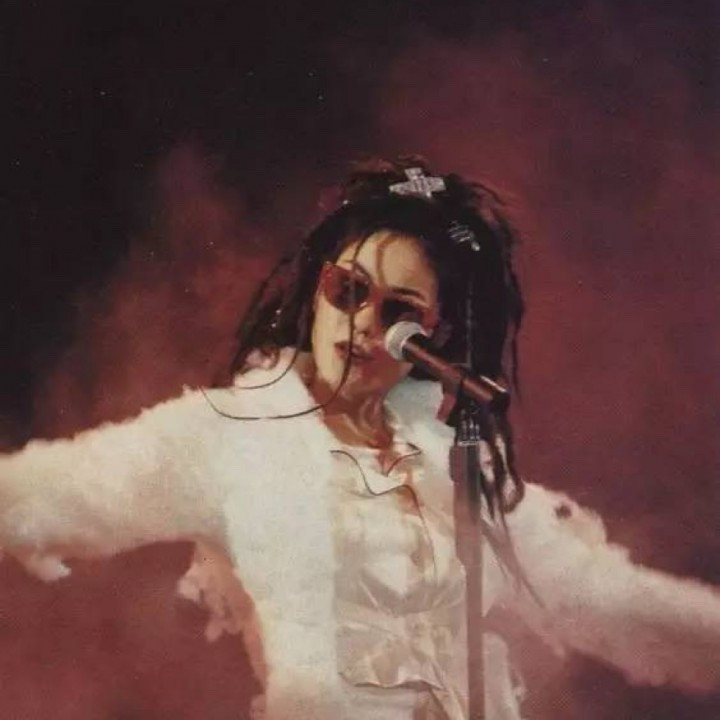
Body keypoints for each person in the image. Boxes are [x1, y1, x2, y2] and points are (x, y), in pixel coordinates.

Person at [2, 157, 720, 720]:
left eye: (399, 312)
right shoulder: (232, 436)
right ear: (317, 290)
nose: (365, 324)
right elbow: (40, 497)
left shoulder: (451, 460)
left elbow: (598, 598)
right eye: (348, 290)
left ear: (433, 333)